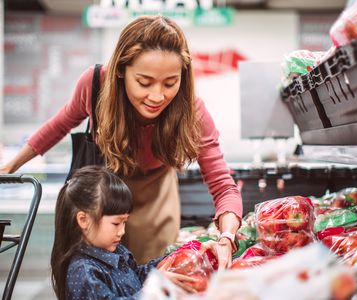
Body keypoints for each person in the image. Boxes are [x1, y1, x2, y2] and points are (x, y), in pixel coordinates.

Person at [0, 15, 243, 267]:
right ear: (120, 71)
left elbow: (223, 185)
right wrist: (9, 167)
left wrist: (226, 237)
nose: (157, 96)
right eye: (144, 82)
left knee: (149, 277)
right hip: (100, 197)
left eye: (170, 83)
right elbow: (60, 124)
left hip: (155, 205)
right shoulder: (95, 85)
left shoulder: (192, 111)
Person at [51, 165, 202, 300]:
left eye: (124, 222)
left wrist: (181, 255)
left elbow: (137, 274)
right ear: (83, 220)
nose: (122, 231)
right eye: (116, 223)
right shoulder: (83, 272)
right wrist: (154, 288)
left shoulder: (115, 250)